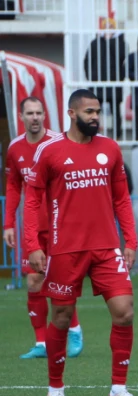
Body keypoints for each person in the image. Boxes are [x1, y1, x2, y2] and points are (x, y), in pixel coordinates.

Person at [23, 89, 138, 396]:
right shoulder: (50, 151)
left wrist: (129, 241)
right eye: (89, 111)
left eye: (98, 112)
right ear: (71, 113)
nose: (95, 117)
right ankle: (55, 389)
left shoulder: (110, 149)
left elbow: (122, 198)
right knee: (61, 317)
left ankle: (118, 389)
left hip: (106, 247)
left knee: (125, 311)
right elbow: (32, 200)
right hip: (66, 249)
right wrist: (32, 244)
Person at [3, 97, 83, 360]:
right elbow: (14, 186)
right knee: (34, 281)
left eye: (39, 113)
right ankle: (41, 344)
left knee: (61, 281)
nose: (35, 117)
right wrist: (8, 223)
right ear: (22, 116)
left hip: (61, 224)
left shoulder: (58, 143)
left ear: (45, 115)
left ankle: (74, 329)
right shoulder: (15, 148)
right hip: (33, 227)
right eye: (30, 113)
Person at [82, 18, 127, 138]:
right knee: (94, 111)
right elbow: (87, 61)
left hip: (114, 83)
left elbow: (122, 57)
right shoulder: (95, 42)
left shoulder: (120, 42)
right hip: (98, 84)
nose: (108, 29)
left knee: (115, 111)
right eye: (106, 26)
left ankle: (117, 136)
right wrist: (92, 77)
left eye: (110, 26)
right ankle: (94, 134)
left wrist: (110, 41)